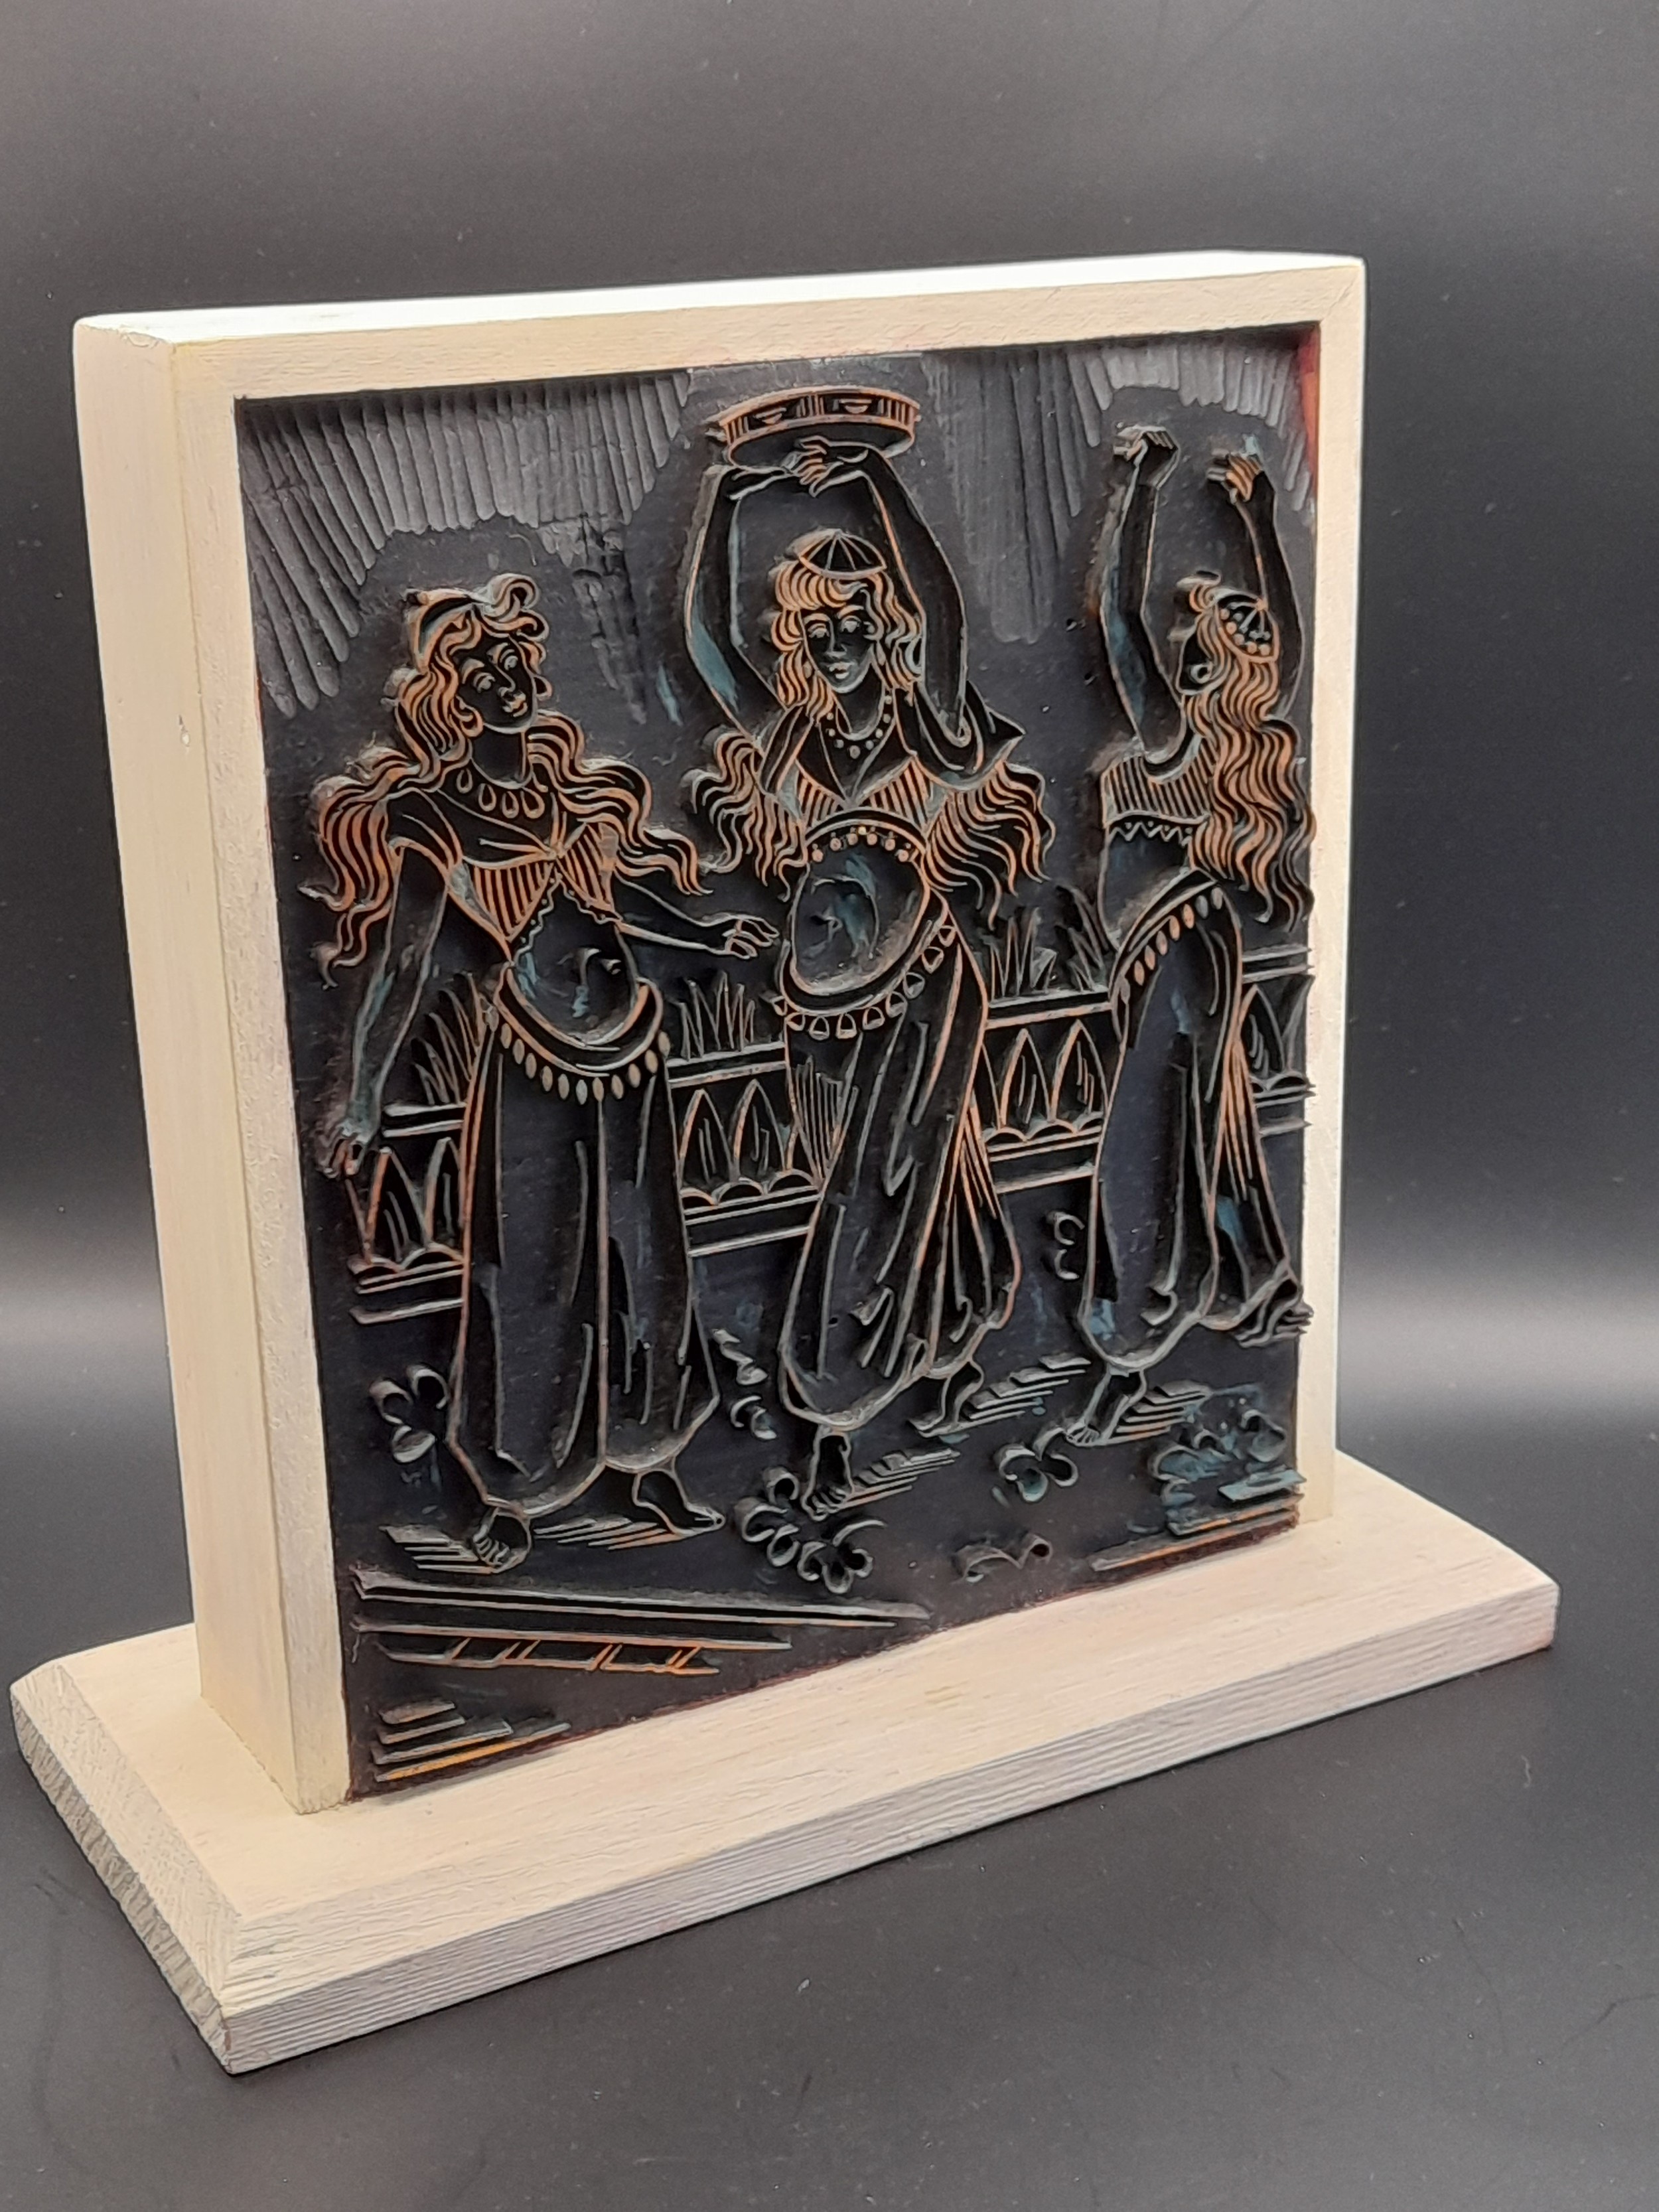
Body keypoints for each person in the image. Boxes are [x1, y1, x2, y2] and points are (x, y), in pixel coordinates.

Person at [311, 573, 774, 1568]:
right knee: (528, 1271)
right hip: (531, 1062)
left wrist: (703, 933)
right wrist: (363, 1095)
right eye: (482, 671)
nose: (507, 680)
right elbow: (401, 963)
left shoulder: (568, 796)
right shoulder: (433, 816)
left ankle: (649, 1455)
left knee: (646, 1261)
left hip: (631, 1055)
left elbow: (617, 907)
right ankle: (514, 1488)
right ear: (451, 700)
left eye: (513, 661)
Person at [684, 417, 1050, 1503]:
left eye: (855, 621)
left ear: (881, 630)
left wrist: (881, 475)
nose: (838, 640)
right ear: (797, 636)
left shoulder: (926, 722)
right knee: (911, 1171)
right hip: (820, 1000)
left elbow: (945, 610)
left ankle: (833, 1391)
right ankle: (953, 1343)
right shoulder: (785, 738)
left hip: (928, 979)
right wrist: (723, 497)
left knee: (885, 1179)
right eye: (818, 625)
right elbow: (705, 640)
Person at [1064, 427, 1313, 1444]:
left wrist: (1138, 486)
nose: (1172, 650)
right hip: (1182, 959)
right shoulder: (1217, 746)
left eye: (1192, 647)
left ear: (1209, 669)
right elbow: (1281, 639)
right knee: (1194, 1143)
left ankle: (1126, 1347)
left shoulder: (1173, 740)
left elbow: (1116, 611)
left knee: (1144, 1152)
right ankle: (1186, 1315)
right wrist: (1255, 521)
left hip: (1175, 960)